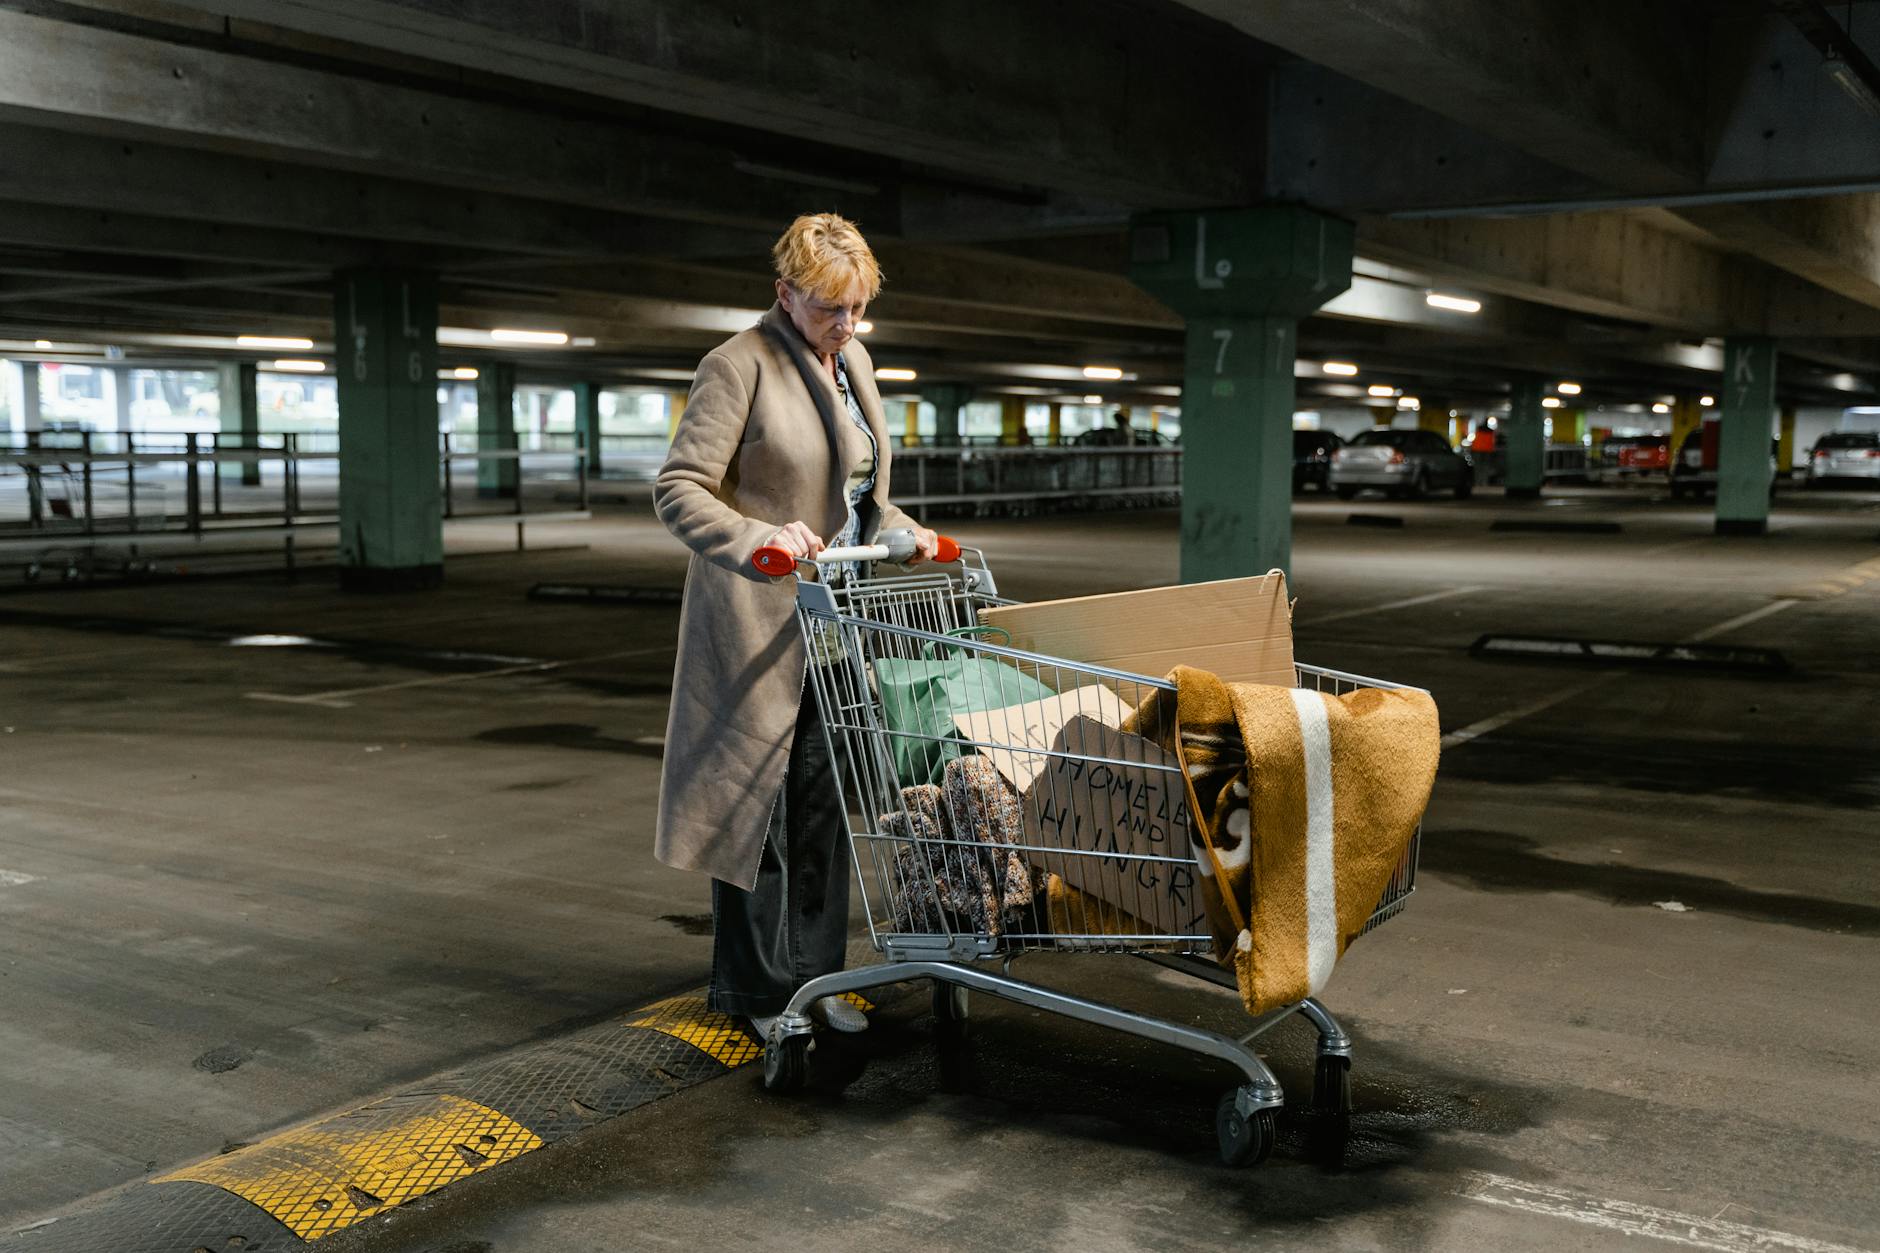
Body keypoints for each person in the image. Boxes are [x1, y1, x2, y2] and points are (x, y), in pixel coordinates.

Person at [653, 213, 937, 1041]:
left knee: (823, 803)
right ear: (785, 293)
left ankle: (816, 978)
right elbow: (680, 489)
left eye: (857, 309)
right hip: (755, 621)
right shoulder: (735, 365)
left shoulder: (853, 360)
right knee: (757, 814)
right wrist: (757, 539)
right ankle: (756, 992)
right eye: (827, 308)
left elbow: (854, 491)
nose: (844, 325)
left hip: (832, 620)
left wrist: (900, 527)